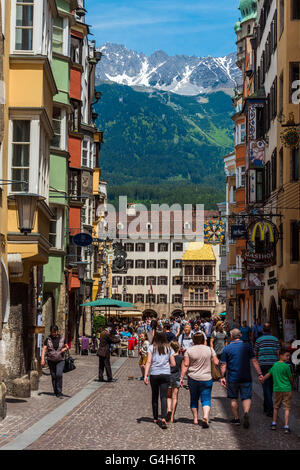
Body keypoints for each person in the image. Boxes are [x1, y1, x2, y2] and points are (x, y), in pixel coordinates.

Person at [220, 329, 263, 428]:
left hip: (232, 377)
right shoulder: (247, 346)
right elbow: (254, 361)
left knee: (233, 398)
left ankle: (236, 419)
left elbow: (223, 365)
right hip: (246, 376)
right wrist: (260, 373)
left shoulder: (227, 348)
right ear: (241, 336)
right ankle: (246, 412)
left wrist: (222, 376)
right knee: (246, 397)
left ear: (231, 336)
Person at [180, 332, 218, 428]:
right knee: (206, 399)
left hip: (193, 378)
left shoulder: (189, 350)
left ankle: (195, 419)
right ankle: (205, 416)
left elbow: (186, 365)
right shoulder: (210, 349)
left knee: (194, 399)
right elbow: (216, 362)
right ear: (203, 340)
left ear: (193, 340)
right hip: (206, 378)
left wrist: (181, 377)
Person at [144, 332, 176, 429]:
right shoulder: (169, 348)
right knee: (164, 397)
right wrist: (166, 366)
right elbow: (173, 363)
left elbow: (148, 362)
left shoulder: (151, 348)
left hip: (154, 374)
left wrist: (145, 375)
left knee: (154, 395)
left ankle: (155, 417)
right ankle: (163, 418)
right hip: (165, 374)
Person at [260, 348, 293, 433]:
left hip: (277, 389)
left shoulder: (275, 365)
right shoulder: (287, 366)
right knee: (287, 408)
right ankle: (286, 426)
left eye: (289, 356)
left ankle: (274, 424)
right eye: (287, 356)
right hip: (286, 389)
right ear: (280, 355)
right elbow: (290, 378)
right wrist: (292, 384)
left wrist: (263, 379)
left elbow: (268, 374)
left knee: (276, 407)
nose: (288, 357)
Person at [254, 323, 281, 417]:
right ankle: (266, 406)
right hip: (274, 365)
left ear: (262, 330)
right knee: (270, 387)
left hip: (263, 365)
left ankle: (269, 409)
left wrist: (258, 362)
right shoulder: (275, 339)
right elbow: (278, 353)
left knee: (266, 387)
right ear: (270, 330)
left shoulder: (259, 340)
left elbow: (255, 353)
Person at [41, 325, 69, 398]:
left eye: (55, 332)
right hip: (51, 360)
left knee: (59, 374)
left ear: (57, 331)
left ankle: (59, 392)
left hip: (60, 359)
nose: (53, 333)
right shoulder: (48, 339)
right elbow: (44, 349)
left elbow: (67, 346)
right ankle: (55, 391)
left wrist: (64, 349)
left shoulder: (62, 338)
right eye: (52, 332)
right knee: (53, 376)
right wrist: (42, 359)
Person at [166, 341, 184, 423]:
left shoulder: (168, 357)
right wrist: (182, 378)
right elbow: (183, 369)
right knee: (175, 397)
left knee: (168, 396)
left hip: (168, 377)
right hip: (176, 378)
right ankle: (172, 416)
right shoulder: (181, 358)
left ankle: (169, 409)